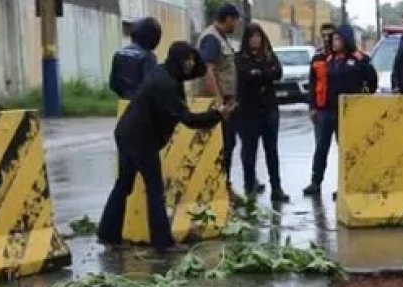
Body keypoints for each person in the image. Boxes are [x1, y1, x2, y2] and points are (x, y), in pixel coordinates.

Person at [99, 42, 231, 251]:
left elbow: (196, 72)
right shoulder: (166, 84)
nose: (190, 63)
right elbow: (187, 119)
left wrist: (198, 64)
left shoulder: (166, 72)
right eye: (186, 59)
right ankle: (162, 243)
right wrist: (217, 115)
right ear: (177, 60)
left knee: (124, 185)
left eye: (191, 59)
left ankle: (108, 234)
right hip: (140, 138)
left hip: (127, 132)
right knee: (154, 188)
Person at [303, 26, 376, 198]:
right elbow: (316, 84)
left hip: (347, 111)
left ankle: (346, 184)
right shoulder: (328, 59)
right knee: (321, 146)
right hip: (326, 109)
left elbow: (372, 81)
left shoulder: (359, 59)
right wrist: (313, 106)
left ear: (346, 40)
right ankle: (316, 181)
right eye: (332, 39)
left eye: (337, 39)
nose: (334, 42)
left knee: (345, 148)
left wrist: (362, 98)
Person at [235, 23, 288, 202]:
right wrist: (263, 73)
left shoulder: (269, 55)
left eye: (258, 36)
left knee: (271, 151)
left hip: (270, 109)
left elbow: (277, 72)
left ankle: (277, 188)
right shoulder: (241, 58)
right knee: (249, 152)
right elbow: (246, 77)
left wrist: (261, 72)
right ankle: (249, 188)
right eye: (252, 37)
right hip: (248, 112)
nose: (255, 40)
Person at [198, 3, 243, 177]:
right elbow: (208, 71)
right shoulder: (212, 39)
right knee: (222, 144)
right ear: (229, 19)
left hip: (227, 101)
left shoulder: (221, 37)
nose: (237, 25)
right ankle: (220, 184)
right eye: (236, 21)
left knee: (228, 143)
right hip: (219, 103)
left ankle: (225, 183)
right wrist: (218, 103)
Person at [109, 17, 161, 99]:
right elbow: (151, 86)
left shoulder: (119, 53)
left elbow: (113, 84)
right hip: (142, 105)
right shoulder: (147, 57)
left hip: (123, 102)